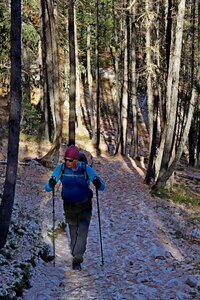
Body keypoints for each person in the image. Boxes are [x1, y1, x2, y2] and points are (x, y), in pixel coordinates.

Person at [45, 145, 105, 270]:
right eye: (66, 159)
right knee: (73, 232)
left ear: (76, 160)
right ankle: (75, 255)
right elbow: (48, 187)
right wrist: (51, 183)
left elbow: (102, 186)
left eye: (70, 160)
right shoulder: (61, 169)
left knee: (82, 233)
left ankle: (78, 259)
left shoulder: (85, 168)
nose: (67, 162)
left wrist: (97, 182)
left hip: (85, 206)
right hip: (69, 206)